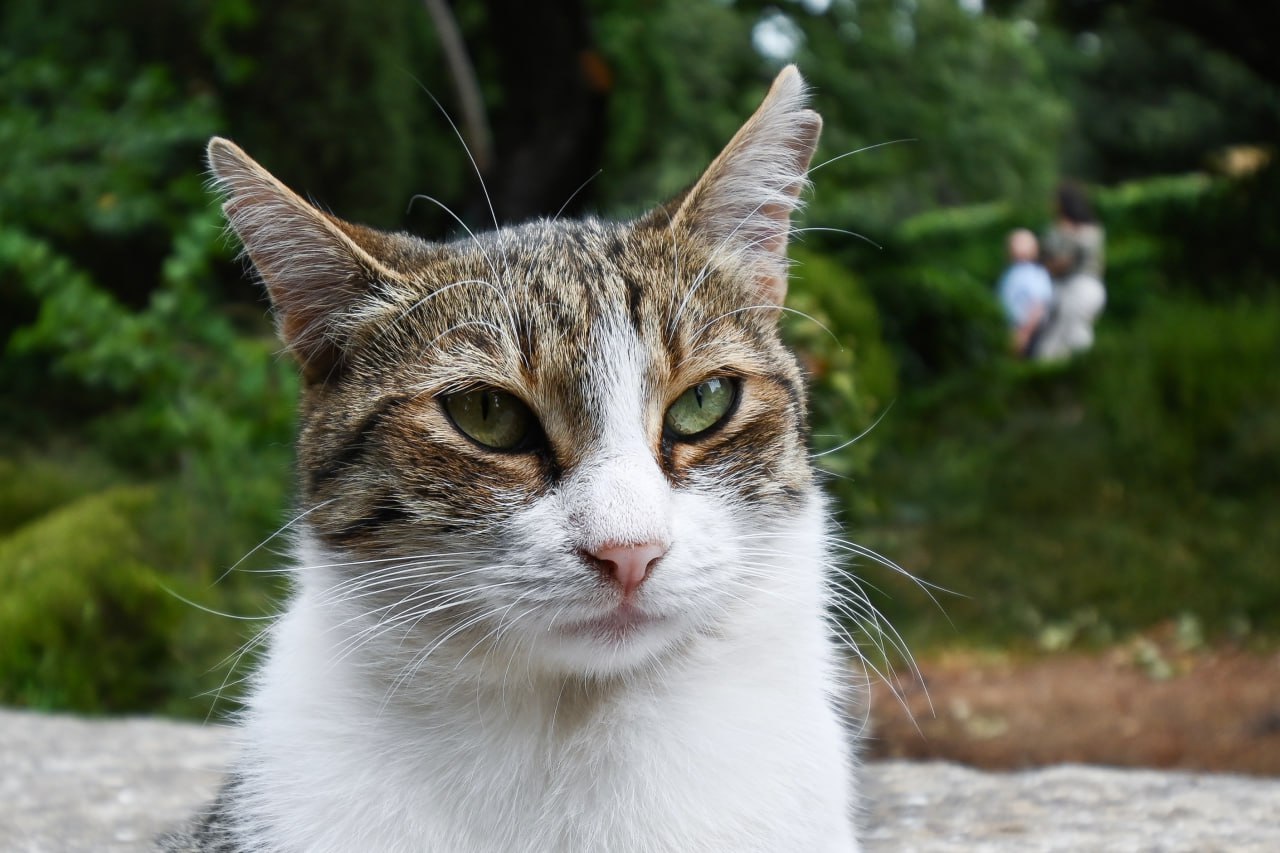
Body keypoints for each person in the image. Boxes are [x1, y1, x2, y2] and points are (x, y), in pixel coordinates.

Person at [1034, 182, 1106, 360]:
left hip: (1080, 286)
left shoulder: (1083, 232)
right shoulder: (1059, 231)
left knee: (1067, 337)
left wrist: (1065, 236)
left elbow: (1061, 263)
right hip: (1072, 288)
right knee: (1068, 337)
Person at [996, 228, 1053, 358]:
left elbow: (1038, 305)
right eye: (1014, 243)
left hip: (1027, 332)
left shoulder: (1034, 274)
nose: (1017, 247)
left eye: (1023, 244)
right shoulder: (1011, 272)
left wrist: (1024, 334)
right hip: (1009, 330)